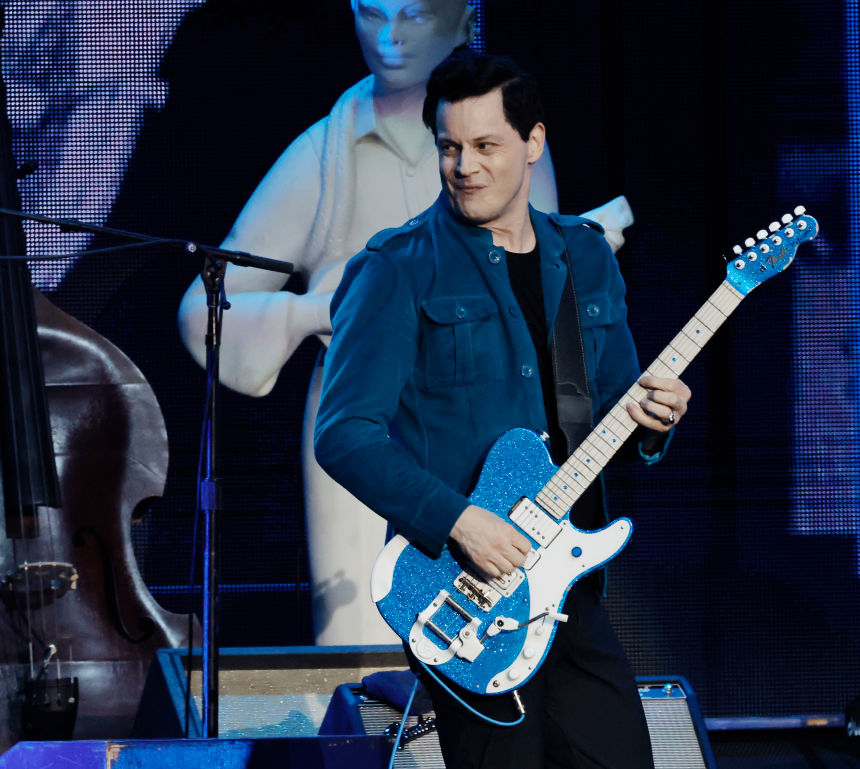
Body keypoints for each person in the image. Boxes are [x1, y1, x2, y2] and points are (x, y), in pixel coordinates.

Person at [176, 0, 628, 646]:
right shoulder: (328, 155)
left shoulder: (514, 144)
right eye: (370, 13)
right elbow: (204, 309)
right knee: (367, 636)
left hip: (498, 426)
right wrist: (314, 311)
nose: (388, 39)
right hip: (373, 419)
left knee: (510, 624)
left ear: (459, 24)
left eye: (413, 17)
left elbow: (540, 286)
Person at [313, 50, 690, 769]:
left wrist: (654, 421)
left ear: (533, 143)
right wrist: (456, 519)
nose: (464, 166)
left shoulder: (585, 256)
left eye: (485, 146)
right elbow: (344, 434)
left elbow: (615, 407)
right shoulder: (396, 269)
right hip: (467, 596)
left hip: (570, 587)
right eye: (449, 147)